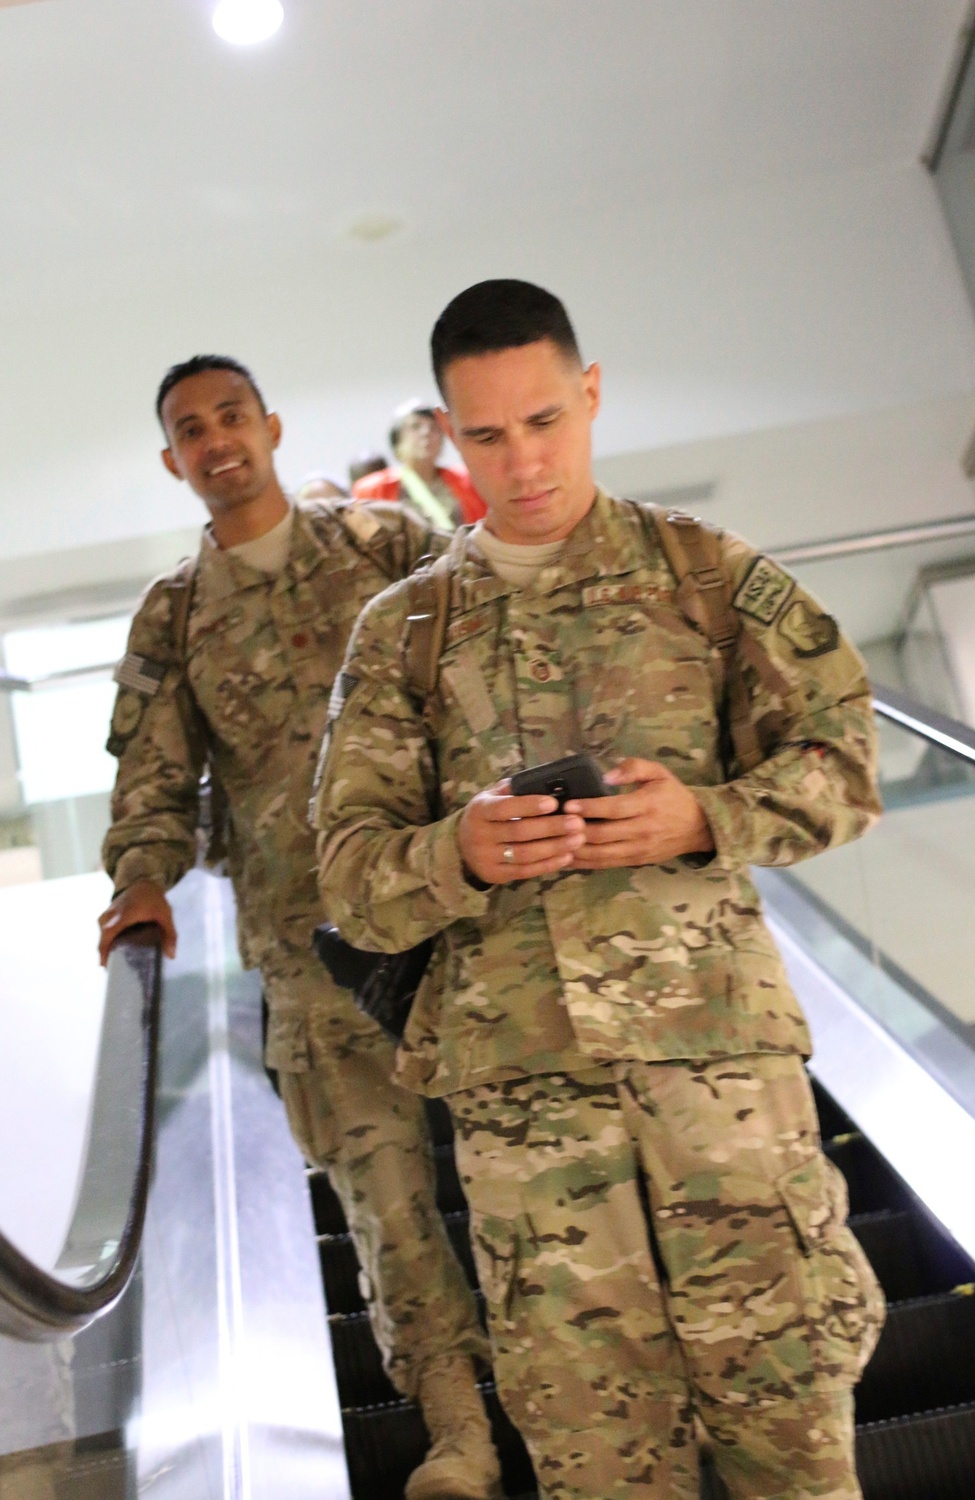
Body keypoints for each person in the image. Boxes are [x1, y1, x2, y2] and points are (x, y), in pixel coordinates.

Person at [312, 281, 887, 1500]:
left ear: (590, 394)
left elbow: (843, 757)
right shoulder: (404, 631)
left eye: (543, 422)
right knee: (601, 1467)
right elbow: (349, 880)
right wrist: (453, 854)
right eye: (484, 436)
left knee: (795, 1450)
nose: (521, 463)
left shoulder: (706, 575)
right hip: (527, 1124)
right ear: (447, 436)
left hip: (724, 1089)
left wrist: (705, 815)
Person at [97, 354, 501, 1500]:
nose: (217, 439)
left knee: (519, 1166)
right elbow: (155, 782)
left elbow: (494, 647)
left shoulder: (382, 551)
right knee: (385, 1200)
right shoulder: (173, 620)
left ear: (271, 427)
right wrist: (141, 882)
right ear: (173, 462)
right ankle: (458, 1431)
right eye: (191, 428)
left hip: (455, 924)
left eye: (232, 415)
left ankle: (570, 1403)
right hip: (312, 960)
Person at [352, 399, 486, 527]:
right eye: (415, 427)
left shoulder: (469, 481)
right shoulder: (371, 489)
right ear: (398, 443)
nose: (426, 432)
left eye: (434, 428)